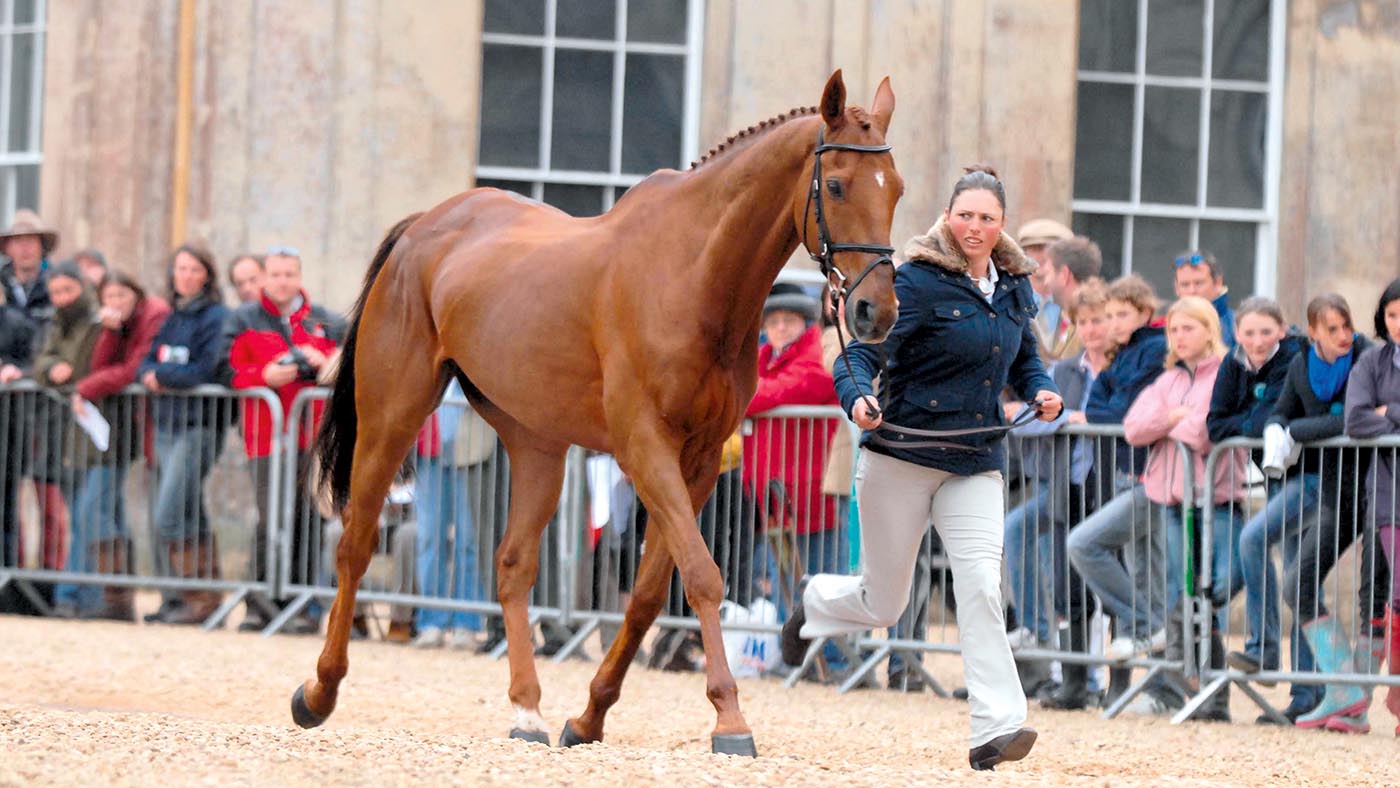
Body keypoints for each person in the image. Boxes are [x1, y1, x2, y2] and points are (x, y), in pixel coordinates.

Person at [785, 165, 1062, 771]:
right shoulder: (914, 282)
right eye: (966, 214)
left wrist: (1043, 392)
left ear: (1001, 226)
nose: (975, 226)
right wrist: (858, 399)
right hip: (901, 458)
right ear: (947, 216)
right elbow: (859, 353)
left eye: (987, 217)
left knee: (983, 587)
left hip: (975, 460)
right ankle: (816, 603)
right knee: (884, 604)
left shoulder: (1016, 286)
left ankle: (998, 726)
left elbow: (1026, 363)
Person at [1121, 295, 1247, 722]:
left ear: (1209, 329)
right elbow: (1134, 427)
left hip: (1219, 499)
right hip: (1175, 501)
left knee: (1220, 585)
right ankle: (1194, 688)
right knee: (1182, 589)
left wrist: (1175, 421)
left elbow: (1210, 429)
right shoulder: (1168, 380)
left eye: (1188, 328)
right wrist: (1172, 418)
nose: (1179, 336)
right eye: (1174, 329)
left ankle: (1214, 688)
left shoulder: (1228, 374)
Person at [1268, 293, 1386, 732]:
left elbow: (1358, 421)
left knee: (1372, 595)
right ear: (1313, 330)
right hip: (1338, 489)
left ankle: (1355, 702)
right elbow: (1281, 413)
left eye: (1346, 325)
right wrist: (1281, 428)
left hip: (1380, 486)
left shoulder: (1368, 358)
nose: (1343, 335)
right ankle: (1344, 691)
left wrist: (1301, 429)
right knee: (1298, 581)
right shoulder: (1301, 365)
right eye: (1332, 328)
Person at [1002, 278, 1114, 710]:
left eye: (1099, 320)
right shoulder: (1064, 371)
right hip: (1061, 482)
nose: (1091, 329)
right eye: (1083, 322)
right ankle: (1042, 637)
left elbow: (1111, 417)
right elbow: (1031, 417)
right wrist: (1066, 417)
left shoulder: (1119, 369)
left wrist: (1073, 417)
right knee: (1025, 535)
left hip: (1104, 482)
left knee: (1091, 575)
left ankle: (1095, 675)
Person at [226, 246, 344, 633]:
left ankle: (304, 607)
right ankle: (260, 605)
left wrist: (325, 362)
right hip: (266, 438)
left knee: (308, 520)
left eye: (289, 274)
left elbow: (349, 362)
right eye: (275, 274)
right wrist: (263, 376)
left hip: (314, 438)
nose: (282, 281)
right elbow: (223, 368)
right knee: (269, 519)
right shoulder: (243, 318)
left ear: (299, 276)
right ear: (265, 277)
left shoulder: (325, 321)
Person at [1207, 297, 1314, 723]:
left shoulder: (1293, 357)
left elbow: (1276, 416)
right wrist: (1254, 420)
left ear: (1282, 331)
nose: (1255, 341)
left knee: (1292, 576)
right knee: (1299, 584)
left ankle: (1270, 654)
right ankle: (1304, 694)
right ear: (1236, 333)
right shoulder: (1234, 362)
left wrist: (1252, 419)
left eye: (1265, 332)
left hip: (1309, 478)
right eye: (1248, 332)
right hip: (1275, 481)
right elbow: (1217, 424)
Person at [65, 271, 171, 621]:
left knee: (97, 509)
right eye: (109, 297)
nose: (115, 303)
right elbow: (101, 365)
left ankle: (123, 597)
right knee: (104, 511)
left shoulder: (153, 313)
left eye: (121, 296)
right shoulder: (118, 321)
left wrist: (85, 388)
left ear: (135, 294)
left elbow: (132, 369)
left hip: (147, 424)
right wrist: (109, 331)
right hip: (123, 427)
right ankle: (118, 600)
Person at [138, 244, 230, 625]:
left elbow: (208, 369)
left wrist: (162, 376)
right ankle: (180, 599)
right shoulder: (172, 317)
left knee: (169, 513)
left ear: (206, 274)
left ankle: (198, 598)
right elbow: (146, 360)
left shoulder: (216, 317)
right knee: (185, 510)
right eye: (180, 268)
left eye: (194, 269)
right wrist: (151, 372)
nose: (186, 275)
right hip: (167, 425)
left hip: (198, 425)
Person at [744, 283, 843, 608]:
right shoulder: (759, 360)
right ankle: (790, 655)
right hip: (776, 499)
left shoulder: (818, 357)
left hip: (813, 497)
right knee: (786, 579)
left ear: (805, 323)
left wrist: (739, 393)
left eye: (789, 319)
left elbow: (764, 393)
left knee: (819, 580)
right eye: (773, 321)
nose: (781, 327)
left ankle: (830, 657)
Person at [1344, 276, 1400, 736]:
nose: (1398, 323)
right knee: (1394, 592)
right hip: (1388, 494)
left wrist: (1390, 412)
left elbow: (1377, 416)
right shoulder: (1371, 361)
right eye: (1392, 314)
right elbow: (1356, 419)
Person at [28, 265, 100, 617]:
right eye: (56, 292)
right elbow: (40, 362)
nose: (63, 299)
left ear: (83, 288)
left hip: (92, 430)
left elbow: (84, 363)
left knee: (89, 513)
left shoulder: (96, 321)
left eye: (69, 291)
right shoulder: (55, 323)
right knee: (78, 514)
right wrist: (51, 368)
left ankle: (74, 595)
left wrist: (62, 367)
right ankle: (81, 596)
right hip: (61, 431)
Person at [410, 380, 486, 649]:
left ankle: (467, 622)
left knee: (469, 541)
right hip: (429, 452)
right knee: (429, 539)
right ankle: (431, 621)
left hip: (471, 454)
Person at [0, 283, 37, 595]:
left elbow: (34, 364)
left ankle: (8, 587)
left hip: (10, 428)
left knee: (7, 508)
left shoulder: (17, 324)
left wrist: (15, 372)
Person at [1030, 236, 1104, 361]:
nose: (1046, 282)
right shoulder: (1070, 320)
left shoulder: (1091, 326)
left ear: (1064, 274)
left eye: (1048, 273)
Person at [1017, 218, 1073, 349]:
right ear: (1024, 254)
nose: (1043, 256)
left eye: (1051, 250)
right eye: (1036, 249)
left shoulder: (1073, 305)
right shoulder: (1013, 301)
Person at [1172, 250, 1234, 349]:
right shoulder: (1167, 327)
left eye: (1199, 283)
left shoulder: (1238, 326)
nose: (1192, 291)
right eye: (1185, 284)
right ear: (1177, 289)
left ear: (1218, 283)